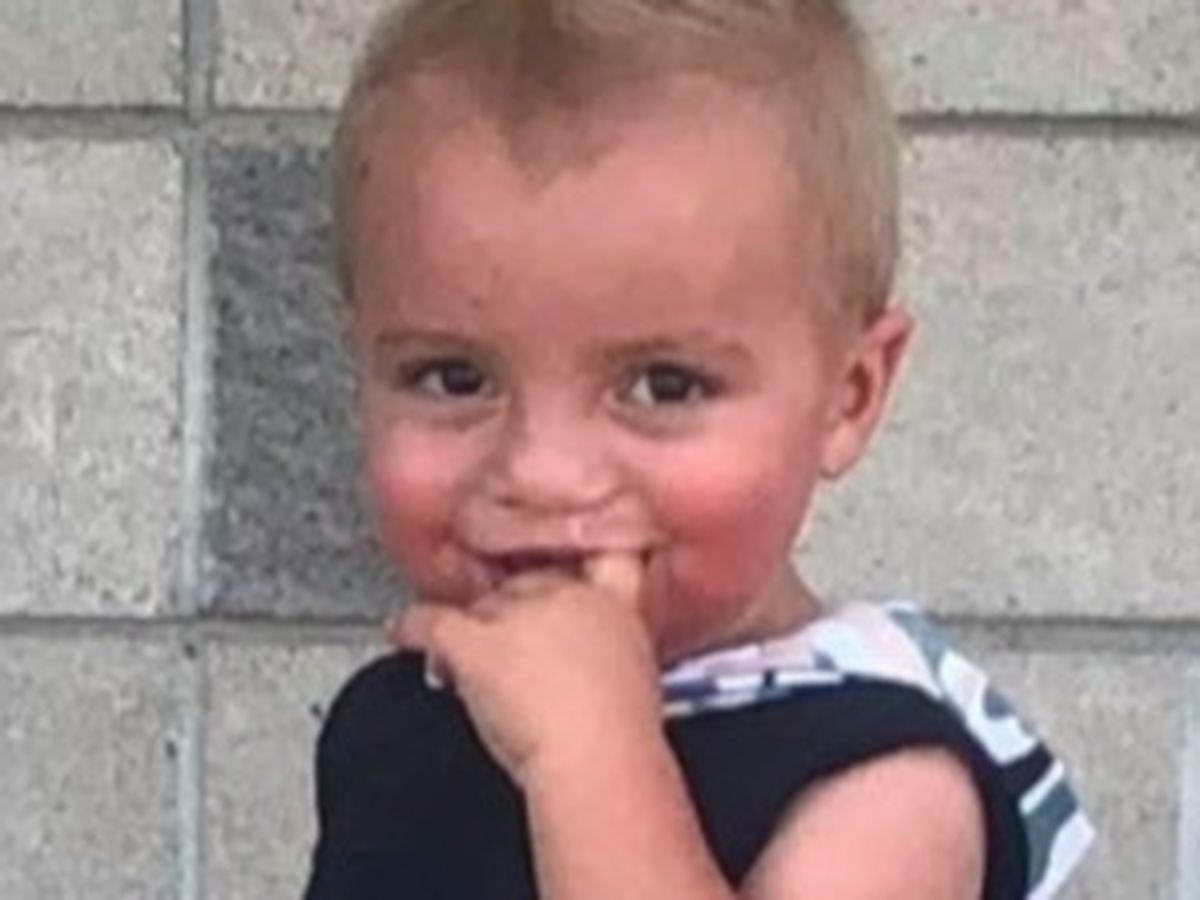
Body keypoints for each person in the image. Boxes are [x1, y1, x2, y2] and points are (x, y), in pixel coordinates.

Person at [305, 1, 1093, 897]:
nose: (539, 471)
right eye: (452, 378)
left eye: (663, 386)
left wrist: (592, 758)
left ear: (848, 396)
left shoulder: (885, 789)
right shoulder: (409, 718)